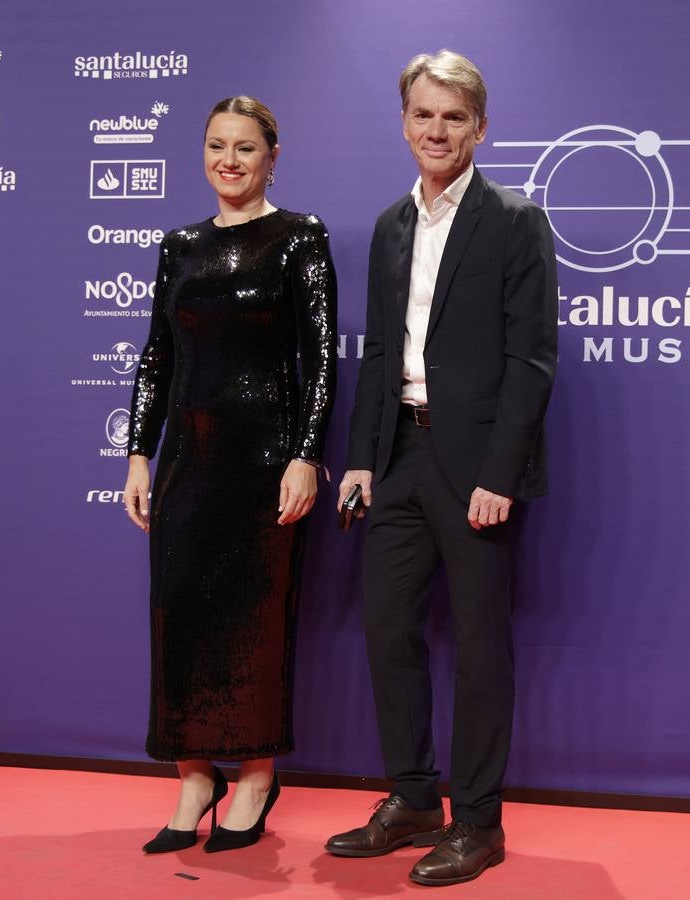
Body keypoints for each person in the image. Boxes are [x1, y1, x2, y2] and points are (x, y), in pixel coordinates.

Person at [324, 51, 558, 887]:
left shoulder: (514, 220)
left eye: (453, 118)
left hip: (475, 471)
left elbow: (530, 362)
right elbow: (380, 351)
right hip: (397, 461)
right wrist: (358, 460)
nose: (436, 131)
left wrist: (501, 473)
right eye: (423, 116)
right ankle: (414, 799)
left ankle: (479, 823)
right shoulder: (392, 224)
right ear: (403, 123)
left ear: (480, 128)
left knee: (480, 650)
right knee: (388, 632)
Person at [123, 95, 337, 855]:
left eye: (245, 147)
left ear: (272, 155)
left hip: (263, 462)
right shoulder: (178, 244)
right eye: (216, 145)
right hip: (186, 460)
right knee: (179, 617)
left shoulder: (298, 238)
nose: (229, 161)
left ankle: (253, 776)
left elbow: (318, 360)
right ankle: (192, 775)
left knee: (253, 622)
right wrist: (139, 453)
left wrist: (305, 453)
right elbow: (156, 357)